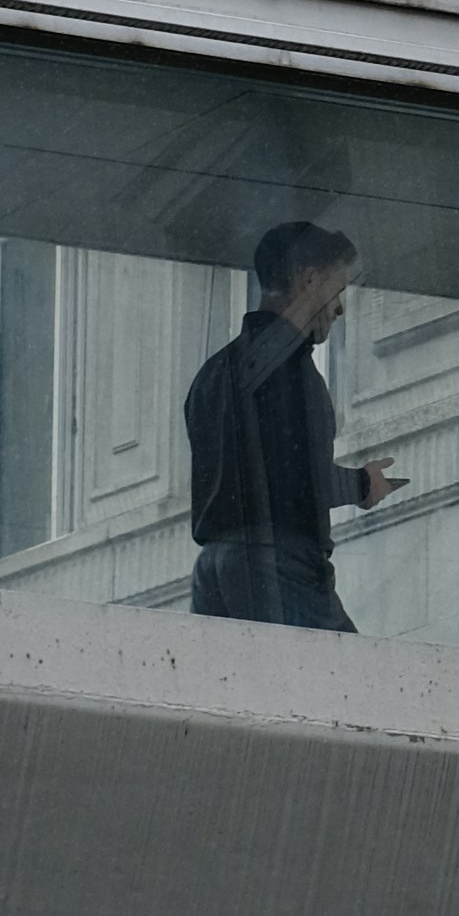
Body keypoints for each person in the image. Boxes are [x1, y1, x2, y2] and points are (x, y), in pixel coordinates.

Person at [184, 218, 378, 628]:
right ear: (309, 281)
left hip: (215, 567)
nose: (340, 307)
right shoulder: (287, 371)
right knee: (349, 682)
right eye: (337, 290)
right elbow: (297, 478)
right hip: (277, 563)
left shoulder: (216, 372)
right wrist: (364, 484)